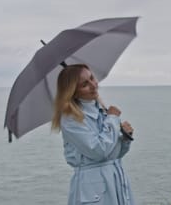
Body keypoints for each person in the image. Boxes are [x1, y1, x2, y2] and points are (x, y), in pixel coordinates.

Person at [52, 63, 135, 205]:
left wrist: (124, 138)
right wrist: (113, 119)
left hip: (116, 180)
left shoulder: (100, 109)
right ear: (73, 92)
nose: (93, 85)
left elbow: (113, 154)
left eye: (92, 78)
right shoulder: (71, 119)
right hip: (93, 187)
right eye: (85, 84)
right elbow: (99, 151)